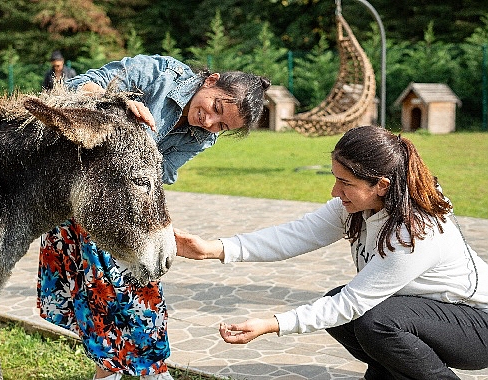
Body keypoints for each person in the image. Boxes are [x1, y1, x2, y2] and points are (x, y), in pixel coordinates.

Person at [175, 125, 488, 380]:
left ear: (380, 184)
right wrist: (212, 249)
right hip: (427, 315)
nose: (335, 192)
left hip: (477, 327)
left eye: (344, 182)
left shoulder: (415, 232)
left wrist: (273, 323)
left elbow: (351, 304)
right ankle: (388, 374)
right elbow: (293, 236)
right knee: (345, 309)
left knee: (373, 319)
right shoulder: (358, 207)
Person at [37, 54, 270, 380]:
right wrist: (115, 103)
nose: (209, 123)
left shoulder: (203, 137)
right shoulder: (159, 73)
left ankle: (131, 370)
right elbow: (77, 87)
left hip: (124, 208)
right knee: (106, 290)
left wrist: (157, 221)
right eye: (215, 108)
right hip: (82, 191)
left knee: (132, 285)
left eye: (222, 125)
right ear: (211, 79)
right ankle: (138, 371)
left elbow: (163, 173)